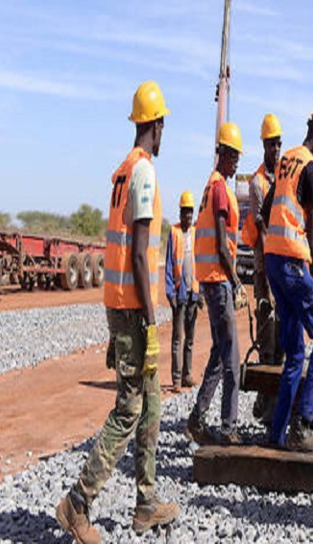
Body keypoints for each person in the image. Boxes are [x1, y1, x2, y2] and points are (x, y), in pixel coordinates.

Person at [56, 81, 179, 542]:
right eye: (163, 125)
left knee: (151, 403)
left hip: (119, 304)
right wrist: (151, 321)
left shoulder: (121, 173)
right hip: (132, 309)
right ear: (157, 125)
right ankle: (76, 503)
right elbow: (141, 248)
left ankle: (146, 503)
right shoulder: (143, 172)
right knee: (128, 408)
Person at [261, 106, 313, 452]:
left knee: (294, 354)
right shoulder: (309, 166)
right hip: (292, 262)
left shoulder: (285, 159)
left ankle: (276, 434)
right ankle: (302, 425)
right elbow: (312, 231)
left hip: (274, 262)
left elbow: (265, 211)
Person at [186, 121, 246, 446]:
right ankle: (228, 427)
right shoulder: (220, 188)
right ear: (220, 153)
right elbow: (222, 245)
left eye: (238, 156)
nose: (236, 162)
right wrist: (237, 282)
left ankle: (197, 418)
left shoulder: (210, 186)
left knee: (219, 351)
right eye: (232, 155)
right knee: (232, 356)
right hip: (218, 280)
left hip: (210, 280)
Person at [241, 113, 284, 426]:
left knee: (281, 337)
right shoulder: (258, 184)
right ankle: (267, 405)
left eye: (279, 143)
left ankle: (267, 400)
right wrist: (272, 272)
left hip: (281, 268)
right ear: (264, 146)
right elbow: (264, 229)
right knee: (268, 338)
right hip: (264, 270)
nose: (277, 149)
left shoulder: (282, 178)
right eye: (272, 144)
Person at [165, 190, 200, 393]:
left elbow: (199, 263)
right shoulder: (174, 232)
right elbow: (170, 263)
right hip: (179, 293)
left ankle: (187, 375)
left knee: (190, 338)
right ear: (180, 213)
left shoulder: (195, 233)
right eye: (184, 211)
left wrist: (200, 292)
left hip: (193, 292)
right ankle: (176, 379)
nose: (187, 215)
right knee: (177, 338)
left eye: (190, 212)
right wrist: (170, 292)